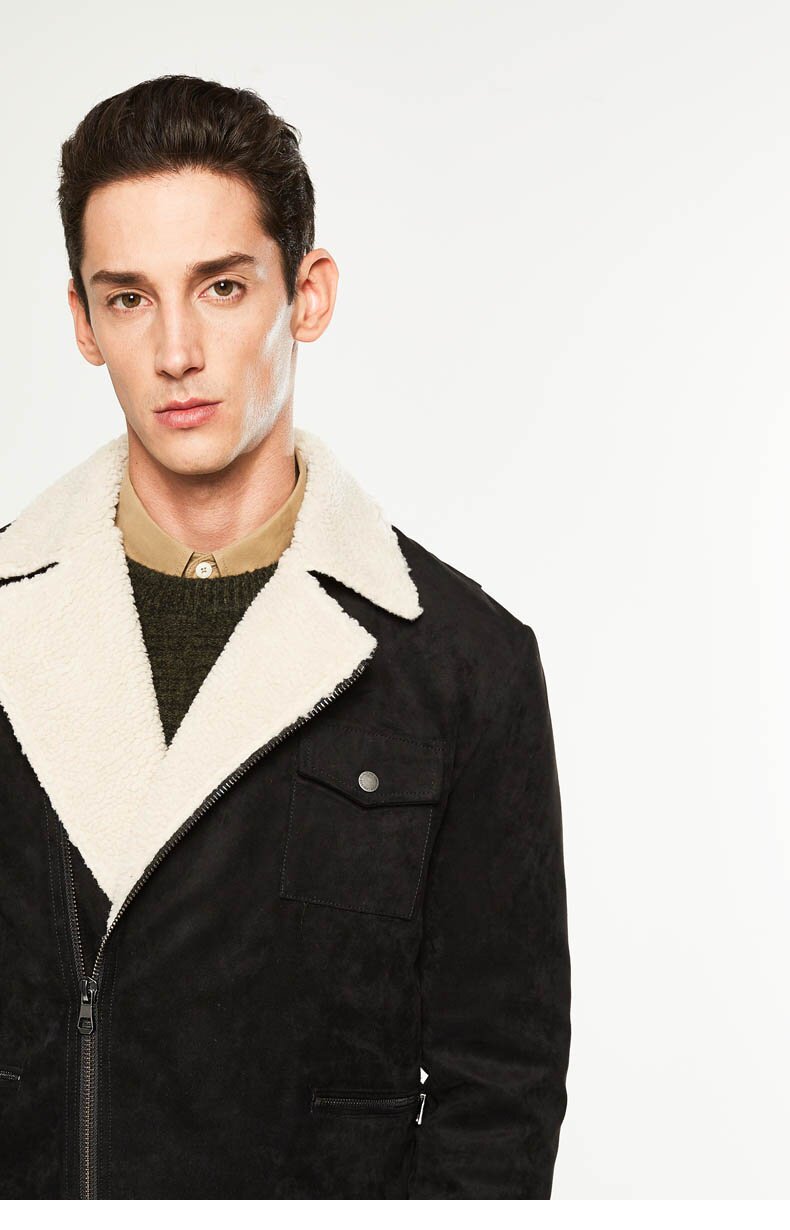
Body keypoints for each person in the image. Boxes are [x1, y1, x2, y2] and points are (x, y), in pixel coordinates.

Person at [0, 74, 571, 1200]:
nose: (176, 350)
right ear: (81, 322)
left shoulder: (462, 666)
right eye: (129, 298)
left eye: (221, 286)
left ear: (306, 295)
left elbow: (498, 1094)